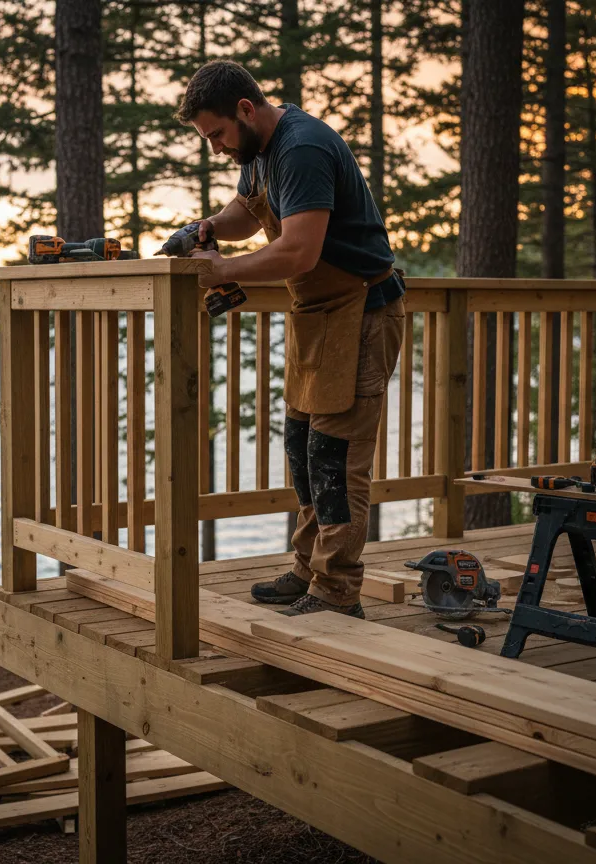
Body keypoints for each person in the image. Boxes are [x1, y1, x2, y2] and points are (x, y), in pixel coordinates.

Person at [176, 60, 406, 618]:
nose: (216, 148)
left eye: (217, 135)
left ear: (246, 110)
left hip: (361, 311)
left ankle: (335, 593)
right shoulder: (258, 154)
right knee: (304, 449)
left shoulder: (301, 148)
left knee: (337, 456)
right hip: (318, 314)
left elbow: (300, 249)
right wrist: (207, 229)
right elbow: (248, 212)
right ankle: (308, 569)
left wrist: (225, 269)